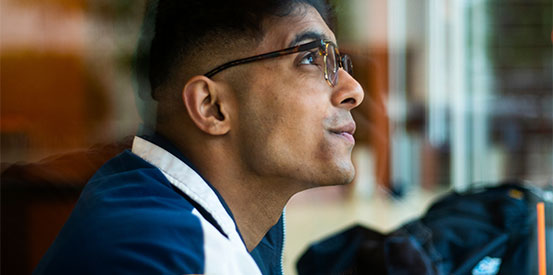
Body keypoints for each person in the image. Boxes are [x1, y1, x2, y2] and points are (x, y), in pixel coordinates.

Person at [34, 0, 364, 273]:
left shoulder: (204, 218)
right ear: (212, 107)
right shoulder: (155, 256)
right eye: (310, 58)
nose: (354, 90)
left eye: (339, 62)